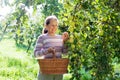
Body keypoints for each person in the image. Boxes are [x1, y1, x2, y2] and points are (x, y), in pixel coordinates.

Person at [34, 15, 69, 80]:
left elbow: (65, 53)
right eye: (52, 25)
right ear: (46, 26)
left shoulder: (60, 38)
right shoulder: (42, 38)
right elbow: (36, 54)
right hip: (46, 71)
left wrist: (65, 42)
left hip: (58, 71)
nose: (54, 27)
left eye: (56, 25)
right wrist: (47, 51)